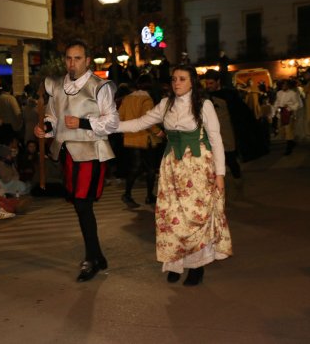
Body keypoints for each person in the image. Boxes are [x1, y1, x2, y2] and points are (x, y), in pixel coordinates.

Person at [117, 64, 232, 286]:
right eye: (174, 79)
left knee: (194, 217)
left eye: (182, 79)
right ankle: (176, 263)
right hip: (172, 167)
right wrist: (108, 126)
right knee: (171, 217)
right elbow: (140, 123)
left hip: (197, 166)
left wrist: (220, 174)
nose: (176, 83)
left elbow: (216, 139)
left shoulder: (203, 104)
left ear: (192, 82)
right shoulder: (165, 104)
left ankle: (196, 266)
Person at [34, 39, 119, 282]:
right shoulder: (58, 86)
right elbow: (52, 115)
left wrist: (83, 122)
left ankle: (91, 259)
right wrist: (45, 129)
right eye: (69, 58)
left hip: (92, 152)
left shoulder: (99, 87)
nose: (72, 63)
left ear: (88, 60)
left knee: (83, 205)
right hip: (67, 153)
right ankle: (98, 256)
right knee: (81, 207)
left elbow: (112, 122)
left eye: (78, 58)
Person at [118, 74, 162, 208]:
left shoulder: (127, 98)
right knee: (149, 168)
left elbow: (120, 116)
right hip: (144, 138)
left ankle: (128, 194)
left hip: (130, 137)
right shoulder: (147, 100)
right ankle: (148, 195)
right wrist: (158, 132)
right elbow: (148, 120)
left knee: (136, 167)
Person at [273, 80, 303, 155]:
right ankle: (292, 142)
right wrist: (276, 108)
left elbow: (297, 104)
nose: (284, 86)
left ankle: (289, 147)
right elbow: (277, 101)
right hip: (281, 113)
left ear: (288, 85)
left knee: (289, 130)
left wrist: (289, 108)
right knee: (282, 130)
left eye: (285, 85)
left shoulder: (292, 93)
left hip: (289, 113)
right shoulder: (279, 93)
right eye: (282, 85)